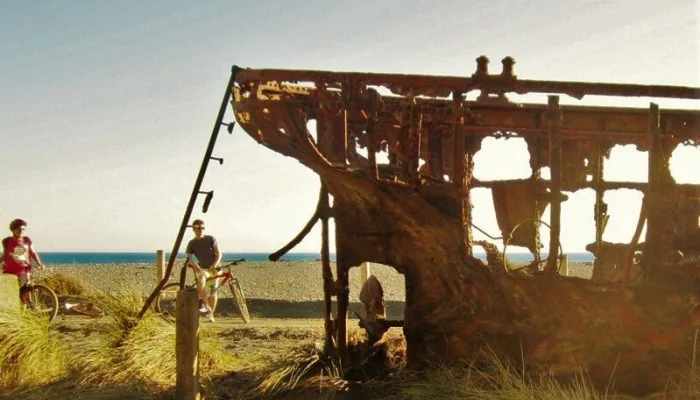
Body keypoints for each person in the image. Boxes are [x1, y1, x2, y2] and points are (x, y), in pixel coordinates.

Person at [185, 219, 222, 322]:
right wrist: (194, 263)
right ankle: (206, 306)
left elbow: (219, 254)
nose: (200, 230)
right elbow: (188, 257)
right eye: (198, 228)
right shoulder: (192, 243)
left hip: (215, 269)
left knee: (213, 291)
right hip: (203, 269)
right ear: (193, 229)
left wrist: (214, 265)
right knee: (201, 283)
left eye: (202, 228)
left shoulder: (210, 239)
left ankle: (211, 314)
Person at [0, 219, 45, 304]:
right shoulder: (7, 241)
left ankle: (27, 312)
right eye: (19, 229)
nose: (21, 231)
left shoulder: (27, 240)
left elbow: (33, 253)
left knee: (26, 293)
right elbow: (4, 256)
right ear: (13, 229)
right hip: (9, 271)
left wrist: (39, 264)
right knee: (11, 294)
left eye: (23, 229)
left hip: (24, 271)